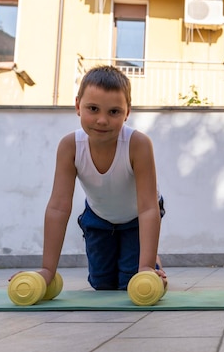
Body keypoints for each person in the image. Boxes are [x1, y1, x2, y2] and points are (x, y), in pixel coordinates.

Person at [16, 65, 166, 290]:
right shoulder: (70, 147)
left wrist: (146, 268)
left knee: (131, 283)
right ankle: (131, 259)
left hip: (137, 217)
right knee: (101, 284)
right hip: (99, 218)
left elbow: (148, 208)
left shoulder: (138, 145)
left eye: (114, 112)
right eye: (93, 109)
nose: (102, 120)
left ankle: (153, 261)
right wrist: (47, 270)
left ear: (127, 112)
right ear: (78, 106)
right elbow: (58, 207)